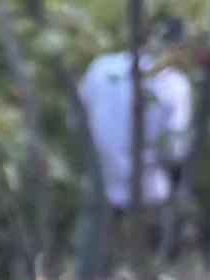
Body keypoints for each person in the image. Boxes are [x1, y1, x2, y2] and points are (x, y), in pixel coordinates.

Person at [79, 23, 194, 215]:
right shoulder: (175, 84)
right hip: (151, 195)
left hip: (101, 190)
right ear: (177, 48)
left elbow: (77, 120)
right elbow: (175, 149)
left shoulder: (100, 68)